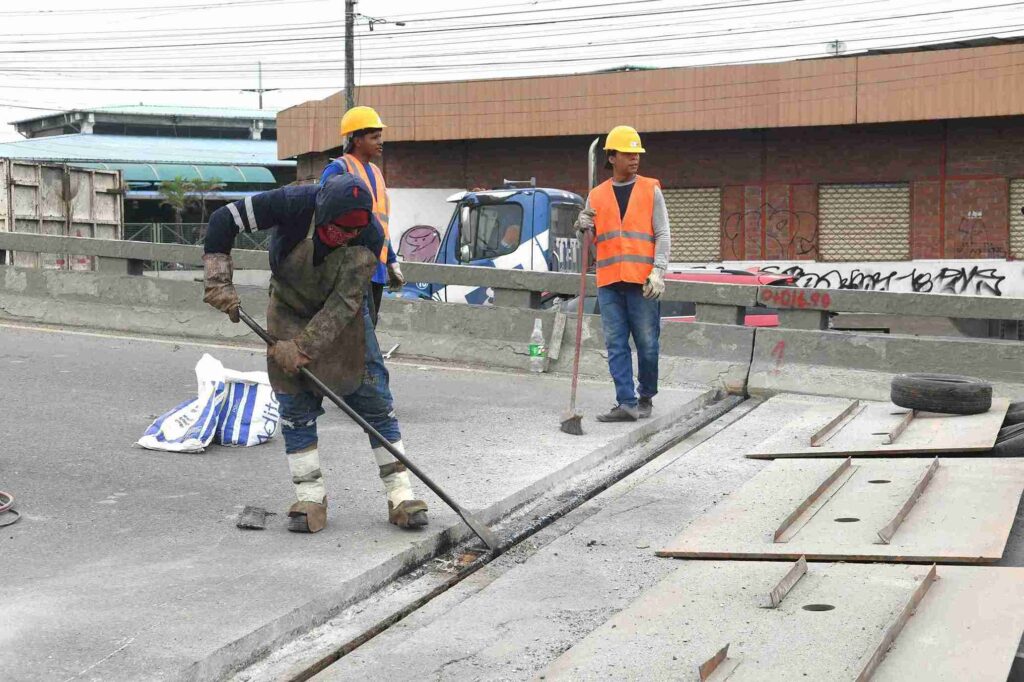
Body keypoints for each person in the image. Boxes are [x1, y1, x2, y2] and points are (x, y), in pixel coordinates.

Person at [200, 173, 428, 534]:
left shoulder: (368, 235)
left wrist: (303, 348)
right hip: (288, 308)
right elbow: (222, 220)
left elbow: (343, 305)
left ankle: (401, 496)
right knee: (295, 404)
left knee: (374, 399)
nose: (345, 237)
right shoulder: (291, 203)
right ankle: (310, 496)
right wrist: (218, 280)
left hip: (345, 318)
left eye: (352, 232)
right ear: (322, 213)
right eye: (338, 229)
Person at [575, 125, 671, 422]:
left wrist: (659, 271)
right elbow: (588, 243)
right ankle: (626, 402)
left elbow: (663, 233)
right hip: (608, 282)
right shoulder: (597, 195)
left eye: (637, 153)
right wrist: (580, 227)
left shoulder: (650, 189)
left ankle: (645, 396)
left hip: (642, 282)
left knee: (647, 343)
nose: (634, 159)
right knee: (615, 344)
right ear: (612, 156)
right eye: (628, 153)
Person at [320, 105, 404, 326]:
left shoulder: (376, 173)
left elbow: (380, 223)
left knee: (367, 333)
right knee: (355, 336)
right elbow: (322, 215)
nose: (380, 141)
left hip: (375, 267)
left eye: (380, 136)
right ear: (357, 140)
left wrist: (392, 261)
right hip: (350, 267)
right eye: (374, 137)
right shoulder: (339, 169)